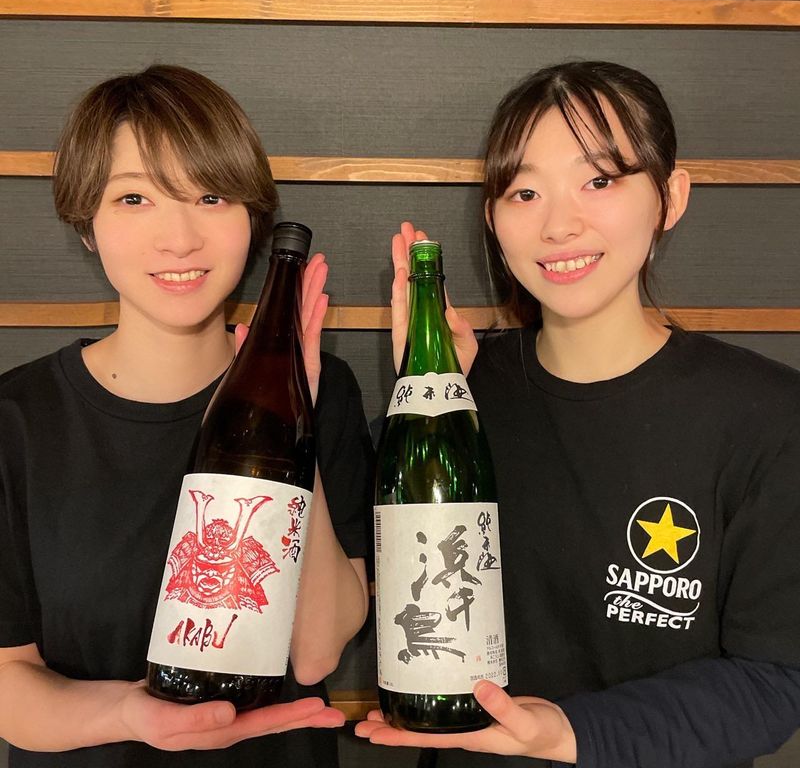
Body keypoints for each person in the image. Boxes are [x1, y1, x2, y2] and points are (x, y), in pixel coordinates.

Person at [356, 61, 800, 766]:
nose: (559, 225)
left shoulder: (768, 415)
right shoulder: (464, 396)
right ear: (494, 220)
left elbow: (775, 679)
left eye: (600, 180)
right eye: (525, 192)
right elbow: (375, 583)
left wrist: (570, 731)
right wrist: (429, 402)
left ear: (671, 197)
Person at [0, 64, 373, 767]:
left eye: (210, 196)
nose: (178, 238)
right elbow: (8, 681)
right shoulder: (17, 421)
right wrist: (129, 713)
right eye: (134, 198)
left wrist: (290, 415)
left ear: (252, 221)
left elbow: (316, 651)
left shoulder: (328, 391)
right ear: (87, 226)